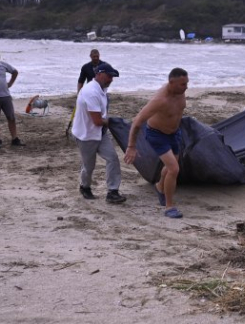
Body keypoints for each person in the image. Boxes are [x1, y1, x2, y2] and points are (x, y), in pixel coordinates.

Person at [124, 68, 189, 219]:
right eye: (182, 84)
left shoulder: (180, 91)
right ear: (171, 83)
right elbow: (137, 121)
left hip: (174, 133)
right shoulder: (160, 100)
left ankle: (160, 186)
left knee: (170, 167)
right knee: (174, 169)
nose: (186, 87)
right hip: (157, 135)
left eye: (187, 83)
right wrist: (131, 146)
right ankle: (169, 206)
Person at [71, 64, 127, 204]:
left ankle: (112, 192)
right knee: (89, 165)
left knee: (113, 158)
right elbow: (97, 120)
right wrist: (113, 122)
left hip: (100, 133)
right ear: (99, 74)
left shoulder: (102, 88)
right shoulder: (91, 92)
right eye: (109, 76)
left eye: (112, 77)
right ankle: (85, 187)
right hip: (86, 135)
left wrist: (108, 122)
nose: (111, 79)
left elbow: (100, 117)